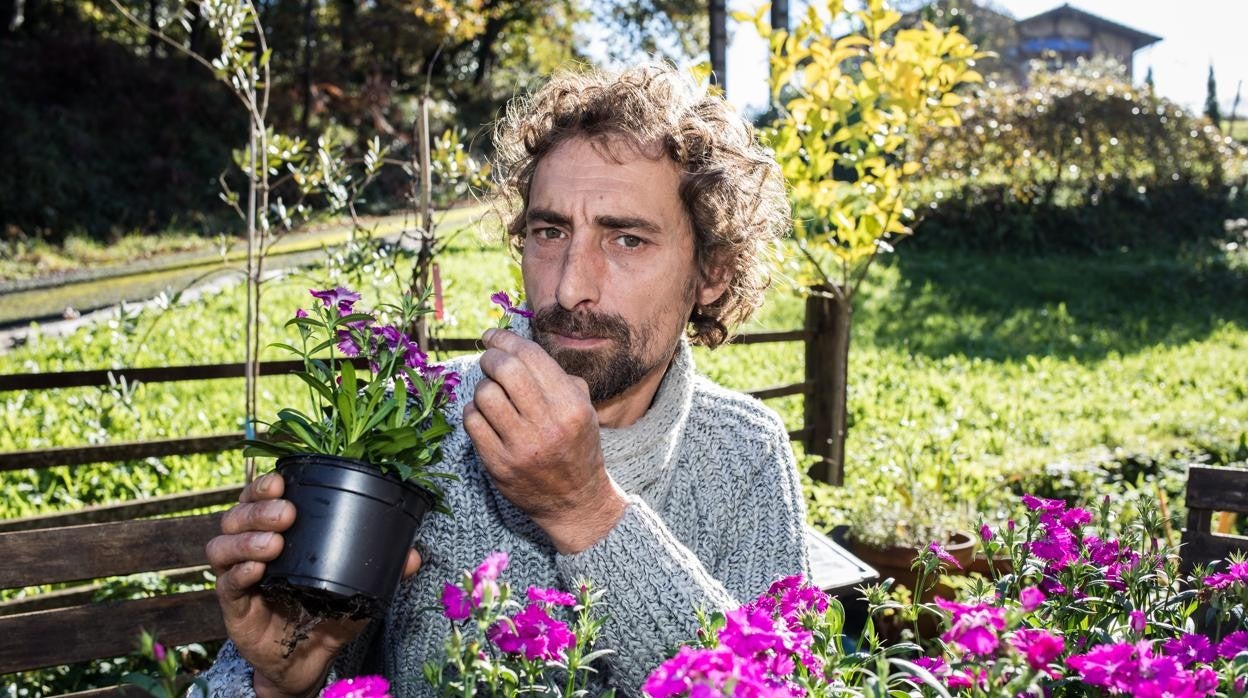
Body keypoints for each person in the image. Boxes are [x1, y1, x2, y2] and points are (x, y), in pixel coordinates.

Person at [200, 62, 806, 697]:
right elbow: (258, 673)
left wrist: (587, 510)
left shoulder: (746, 458)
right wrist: (280, 683)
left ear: (712, 271)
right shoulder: (418, 419)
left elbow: (776, 685)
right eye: (549, 231)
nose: (570, 286)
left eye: (626, 240)